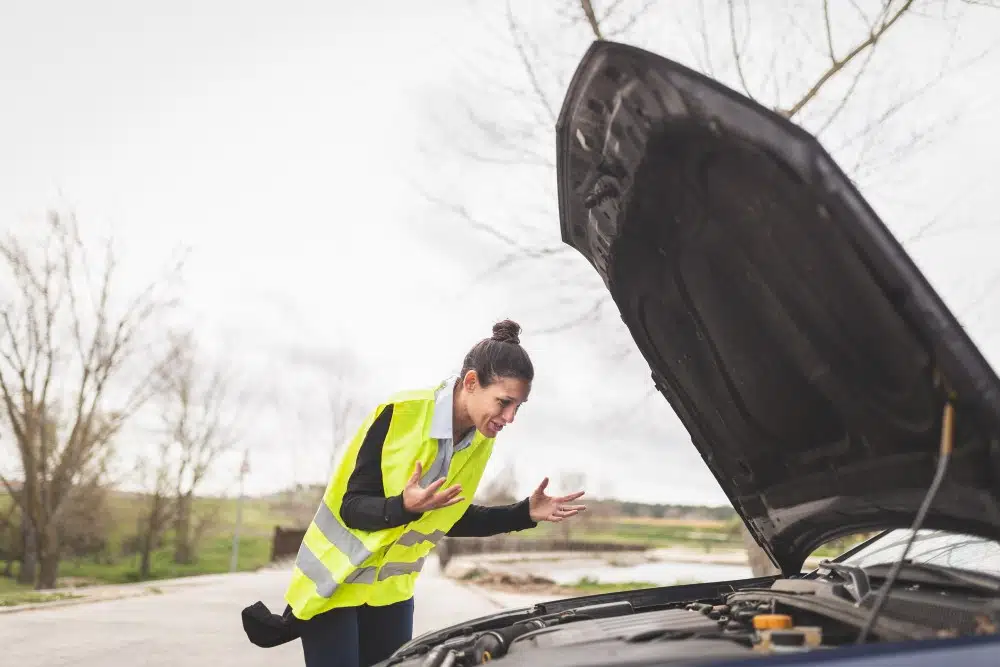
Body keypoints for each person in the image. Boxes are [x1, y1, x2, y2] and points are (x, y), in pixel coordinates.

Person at [281, 319, 587, 667]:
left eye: (517, 407)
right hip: (334, 583)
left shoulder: (480, 441)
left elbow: (448, 518)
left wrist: (523, 513)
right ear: (471, 382)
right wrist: (403, 507)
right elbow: (352, 508)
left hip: (390, 594)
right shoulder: (401, 413)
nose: (510, 417)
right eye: (503, 402)